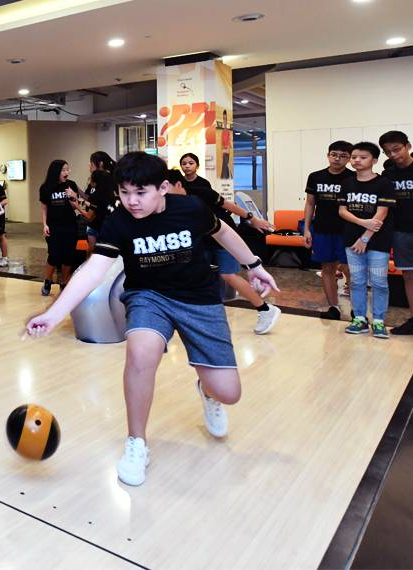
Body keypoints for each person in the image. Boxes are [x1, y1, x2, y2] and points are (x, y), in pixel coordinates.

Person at [24, 151, 279, 487]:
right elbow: (93, 271)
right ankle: (136, 443)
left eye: (140, 193)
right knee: (140, 353)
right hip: (149, 296)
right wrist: (54, 314)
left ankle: (208, 391)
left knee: (229, 393)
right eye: (124, 193)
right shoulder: (118, 222)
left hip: (199, 299)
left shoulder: (190, 210)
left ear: (162, 188)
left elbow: (224, 235)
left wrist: (254, 266)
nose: (132, 201)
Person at [179, 153, 280, 334]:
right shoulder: (171, 200)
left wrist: (252, 219)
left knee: (228, 275)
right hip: (202, 238)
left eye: (190, 163)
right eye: (184, 163)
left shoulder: (202, 188)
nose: (187, 166)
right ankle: (203, 315)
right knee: (198, 274)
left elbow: (229, 205)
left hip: (223, 235)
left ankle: (265, 309)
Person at [339, 141, 396, 338]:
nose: (356, 160)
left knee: (379, 282)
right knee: (357, 282)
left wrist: (365, 238)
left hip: (377, 242)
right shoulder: (346, 183)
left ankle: (379, 321)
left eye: (362, 157)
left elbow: (381, 214)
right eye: (354, 157)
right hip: (351, 241)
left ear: (374, 160)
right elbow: (342, 210)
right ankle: (360, 319)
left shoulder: (384, 183)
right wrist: (362, 222)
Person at [303, 141, 356, 320]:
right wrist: (307, 229)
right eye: (334, 154)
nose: (337, 159)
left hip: (347, 231)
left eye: (343, 156)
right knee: (327, 268)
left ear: (349, 158)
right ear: (328, 155)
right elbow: (310, 203)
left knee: (350, 269)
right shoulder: (315, 176)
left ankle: (358, 309)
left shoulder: (353, 177)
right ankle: (333, 307)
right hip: (322, 230)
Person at [379, 131, 413, 335]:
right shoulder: (388, 175)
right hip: (401, 232)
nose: (393, 155)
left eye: (397, 149)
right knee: (409, 276)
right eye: (388, 152)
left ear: (408, 146)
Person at [39, 160, 82, 296]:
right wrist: (44, 224)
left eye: (67, 170)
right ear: (56, 171)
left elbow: (76, 207)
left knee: (68, 256)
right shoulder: (46, 187)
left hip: (70, 225)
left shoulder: (71, 185)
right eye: (63, 170)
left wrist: (73, 197)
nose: (66, 173)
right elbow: (44, 207)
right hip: (53, 226)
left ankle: (64, 281)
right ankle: (47, 280)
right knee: (54, 255)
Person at [83, 151, 117, 252]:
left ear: (101, 164)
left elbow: (98, 203)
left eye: (91, 163)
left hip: (101, 222)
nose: (89, 165)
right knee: (92, 251)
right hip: (93, 222)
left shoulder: (110, 181)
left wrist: (78, 205)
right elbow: (89, 197)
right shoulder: (94, 180)